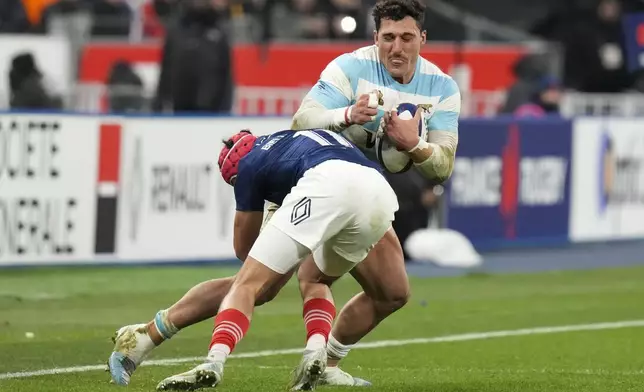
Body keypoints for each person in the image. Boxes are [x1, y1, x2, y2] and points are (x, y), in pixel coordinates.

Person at [109, 0, 460, 387]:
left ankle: (324, 364)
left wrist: (415, 146)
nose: (397, 47)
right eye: (388, 38)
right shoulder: (351, 67)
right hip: (311, 179)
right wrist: (346, 115)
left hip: (362, 190)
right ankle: (149, 333)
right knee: (260, 284)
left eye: (407, 37)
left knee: (392, 293)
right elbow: (302, 120)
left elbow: (442, 164)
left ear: (422, 39)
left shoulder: (442, 88)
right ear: (375, 37)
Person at [155, 128, 398, 391]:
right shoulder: (292, 138)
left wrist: (273, 258)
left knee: (247, 283)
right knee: (316, 278)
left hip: (327, 183)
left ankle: (214, 361)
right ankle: (317, 352)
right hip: (379, 191)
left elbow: (244, 250)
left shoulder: (248, 164)